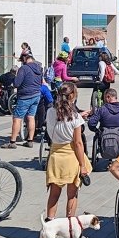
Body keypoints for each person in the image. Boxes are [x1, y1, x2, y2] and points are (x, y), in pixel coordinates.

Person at [45, 82, 92, 220]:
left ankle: (49, 222)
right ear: (72, 96)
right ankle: (69, 225)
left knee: (54, 194)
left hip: (55, 154)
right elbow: (78, 143)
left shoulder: (50, 112)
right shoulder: (75, 116)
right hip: (71, 155)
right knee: (72, 195)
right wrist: (82, 165)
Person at [3, 53, 43, 149]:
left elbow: (16, 84)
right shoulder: (39, 68)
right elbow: (40, 82)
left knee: (17, 118)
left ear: (25, 59)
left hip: (25, 96)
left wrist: (16, 76)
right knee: (31, 117)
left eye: (22, 60)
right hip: (36, 95)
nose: (21, 63)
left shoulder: (24, 69)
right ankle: (30, 141)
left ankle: (12, 142)